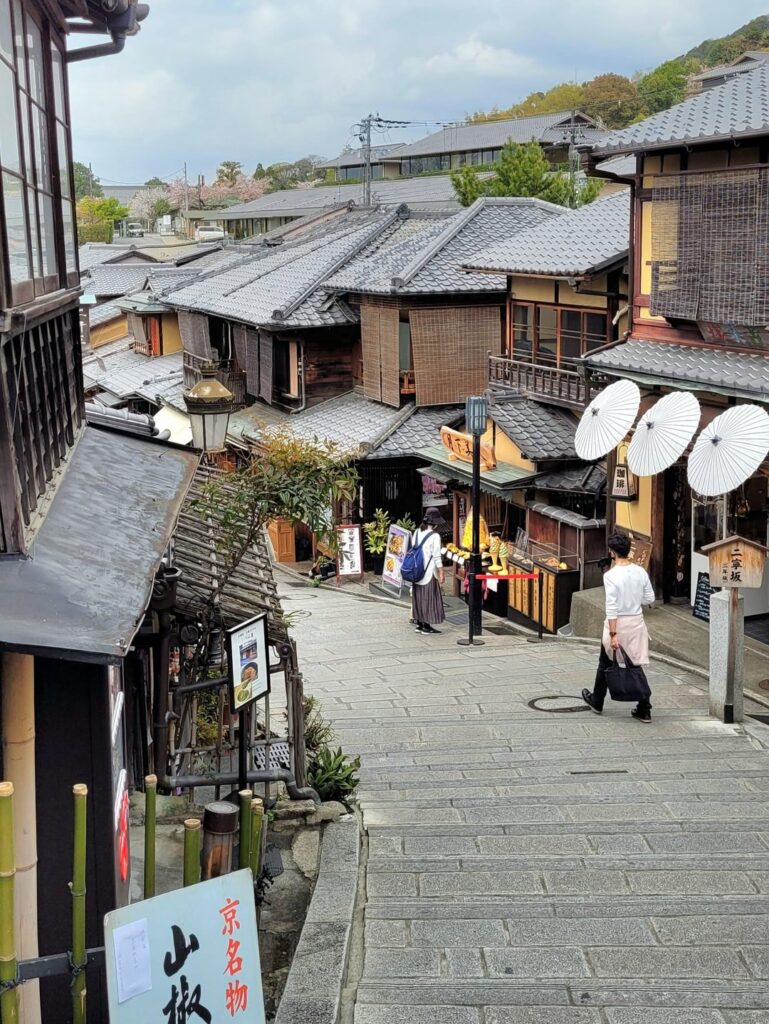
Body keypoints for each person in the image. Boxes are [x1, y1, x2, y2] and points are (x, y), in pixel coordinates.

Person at [582, 531, 655, 722]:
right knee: (635, 664)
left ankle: (597, 700)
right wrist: (633, 599)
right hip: (636, 623)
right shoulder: (640, 571)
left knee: (605, 662)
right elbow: (650, 598)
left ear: (612, 552)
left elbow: (611, 608)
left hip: (619, 624)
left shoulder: (611, 576)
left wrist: (614, 634)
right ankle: (644, 707)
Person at [411, 509, 446, 635]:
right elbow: (436, 557)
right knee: (429, 597)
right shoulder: (435, 536)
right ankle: (426, 626)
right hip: (428, 571)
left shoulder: (416, 532)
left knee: (419, 597)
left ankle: (419, 624)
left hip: (416, 570)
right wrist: (441, 572)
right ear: (435, 523)